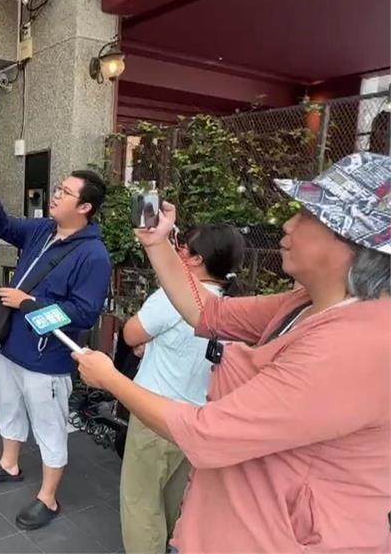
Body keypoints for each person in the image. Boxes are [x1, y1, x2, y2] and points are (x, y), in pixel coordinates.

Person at [73, 152, 391, 552]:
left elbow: (208, 434)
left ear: (352, 242)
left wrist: (111, 380)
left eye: (309, 216)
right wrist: (158, 243)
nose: (288, 224)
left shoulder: (355, 348)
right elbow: (210, 312)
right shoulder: (305, 303)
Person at [0, 161, 112, 531]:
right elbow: (2, 224)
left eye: (65, 192)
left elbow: (83, 313)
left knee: (49, 428)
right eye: (59, 188)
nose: (56, 195)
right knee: (8, 410)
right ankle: (9, 464)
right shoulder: (43, 231)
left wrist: (29, 304)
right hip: (11, 346)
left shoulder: (93, 255)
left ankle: (48, 498)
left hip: (46, 359)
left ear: (84, 207)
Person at [119, 224, 246, 554]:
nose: (176, 252)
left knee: (140, 501)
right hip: (197, 419)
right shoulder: (235, 309)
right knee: (175, 497)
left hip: (155, 414)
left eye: (182, 248)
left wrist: (148, 341)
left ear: (196, 260)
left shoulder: (174, 296)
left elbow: (131, 334)